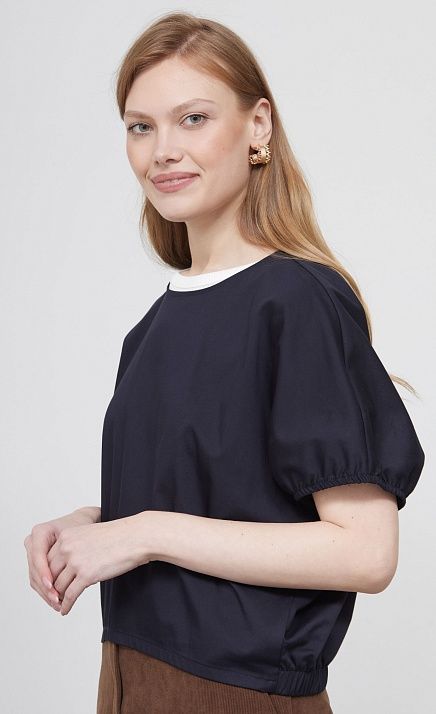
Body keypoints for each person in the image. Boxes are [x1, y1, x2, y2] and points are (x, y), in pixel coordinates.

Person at [23, 11, 425, 714]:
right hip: (127, 682)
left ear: (257, 126)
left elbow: (366, 552)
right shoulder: (150, 331)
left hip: (236, 694)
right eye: (140, 126)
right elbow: (220, 499)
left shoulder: (295, 301)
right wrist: (95, 525)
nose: (162, 151)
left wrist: (141, 534)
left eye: (193, 118)